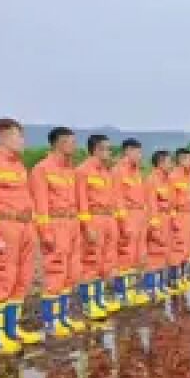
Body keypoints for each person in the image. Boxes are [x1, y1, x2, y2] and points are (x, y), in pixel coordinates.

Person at [0, 119, 42, 352]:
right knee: (2, 281)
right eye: (18, 136)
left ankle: (12, 329)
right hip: (5, 227)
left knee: (21, 281)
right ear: (3, 136)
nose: (22, 141)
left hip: (24, 227)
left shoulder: (19, 167)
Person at [30, 126, 86, 338]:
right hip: (55, 224)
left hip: (71, 224)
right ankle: (51, 322)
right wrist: (45, 232)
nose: (74, 145)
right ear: (58, 143)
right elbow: (41, 205)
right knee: (55, 273)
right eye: (70, 141)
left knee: (70, 274)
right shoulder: (42, 169)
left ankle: (63, 317)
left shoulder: (71, 171)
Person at [76, 134, 119, 321]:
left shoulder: (106, 173)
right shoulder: (83, 171)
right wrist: (87, 226)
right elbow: (81, 201)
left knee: (104, 262)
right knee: (90, 263)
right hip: (94, 219)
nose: (110, 153)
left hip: (108, 219)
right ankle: (89, 304)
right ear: (97, 149)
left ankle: (99, 300)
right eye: (107, 149)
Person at [113, 138, 150, 307]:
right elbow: (117, 198)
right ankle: (121, 292)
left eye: (141, 152)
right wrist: (123, 222)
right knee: (125, 255)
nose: (140, 155)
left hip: (140, 216)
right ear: (127, 151)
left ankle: (133, 290)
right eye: (137, 152)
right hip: (127, 216)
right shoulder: (118, 171)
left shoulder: (137, 173)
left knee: (138, 256)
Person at [144, 149, 174, 302]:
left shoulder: (166, 179)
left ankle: (160, 285)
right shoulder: (152, 180)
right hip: (157, 221)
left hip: (167, 220)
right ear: (161, 163)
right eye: (169, 162)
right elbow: (151, 206)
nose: (171, 164)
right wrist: (154, 228)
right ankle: (150, 288)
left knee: (164, 254)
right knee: (154, 255)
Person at [168, 148, 190, 293]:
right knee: (177, 247)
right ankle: (173, 279)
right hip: (179, 215)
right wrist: (174, 220)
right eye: (188, 159)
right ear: (180, 159)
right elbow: (171, 201)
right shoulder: (173, 176)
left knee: (188, 248)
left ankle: (183, 276)